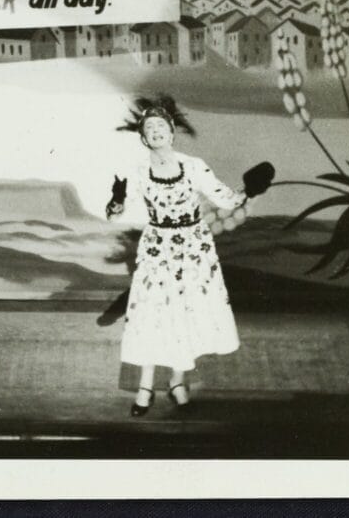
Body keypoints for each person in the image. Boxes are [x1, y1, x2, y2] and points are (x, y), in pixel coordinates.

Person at [106, 103, 269, 416]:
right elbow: (117, 212)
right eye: (150, 130)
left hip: (193, 249)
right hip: (157, 249)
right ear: (143, 137)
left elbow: (225, 197)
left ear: (171, 134)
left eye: (161, 128)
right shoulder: (138, 172)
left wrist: (249, 191)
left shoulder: (194, 166)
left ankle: (177, 382)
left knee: (186, 313)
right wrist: (115, 201)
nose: (156, 133)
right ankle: (145, 386)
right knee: (153, 312)